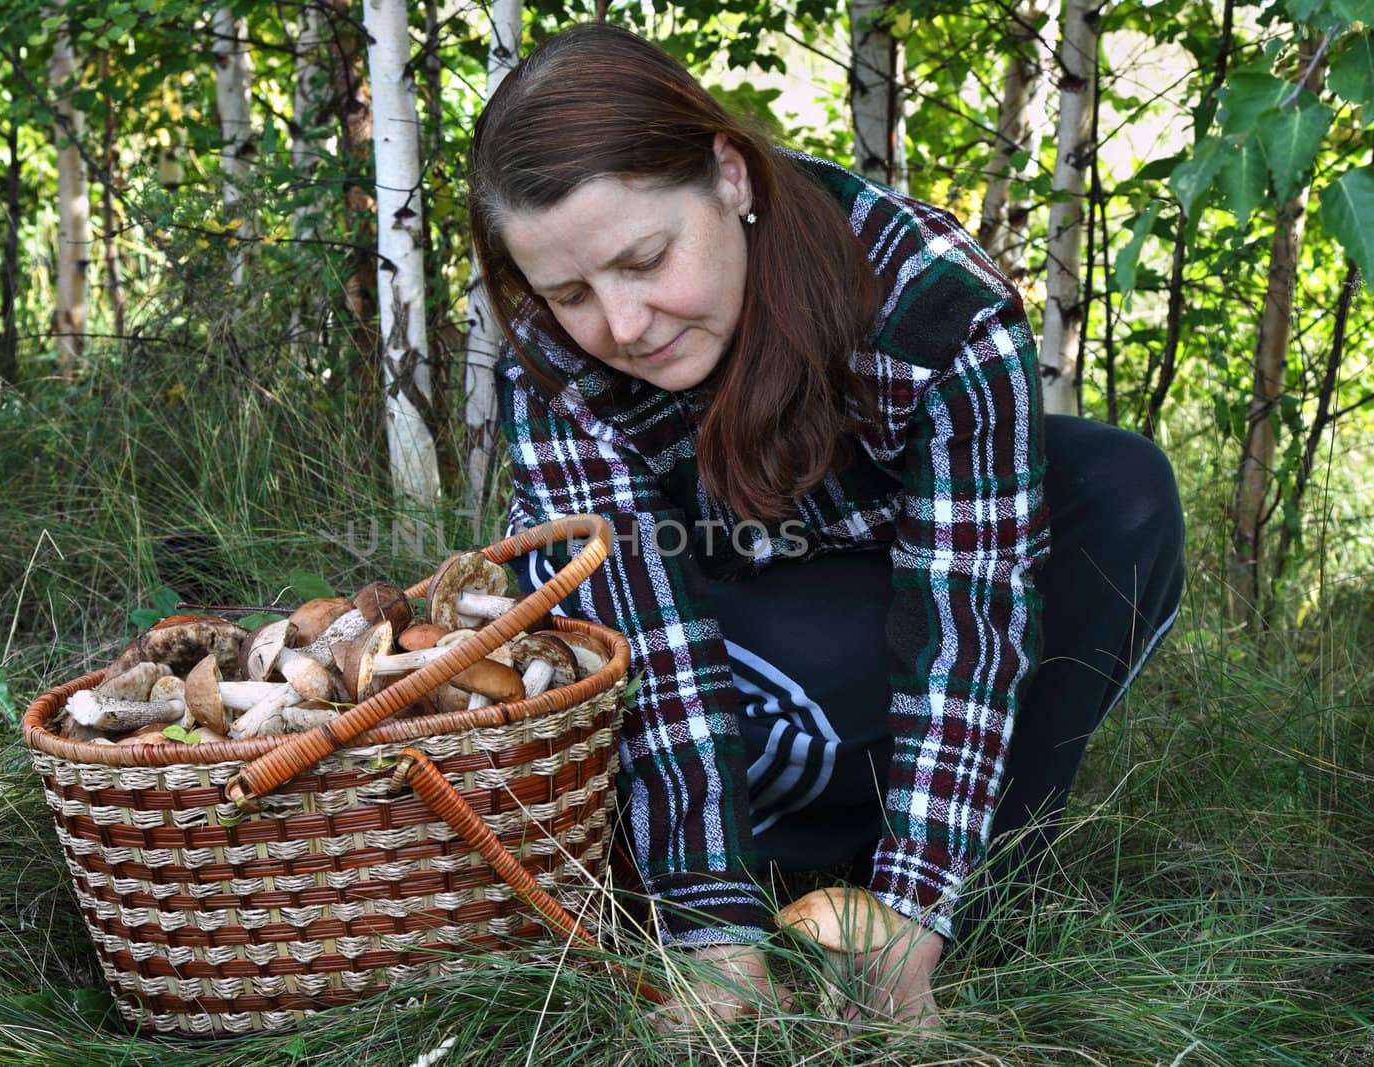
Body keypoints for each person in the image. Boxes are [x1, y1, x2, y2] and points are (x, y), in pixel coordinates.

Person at [468, 23, 1184, 1029]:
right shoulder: (553, 362)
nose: (622, 325)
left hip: (876, 593)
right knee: (812, 672)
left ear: (729, 175)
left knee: (1119, 483)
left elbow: (966, 622)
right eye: (571, 292)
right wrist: (707, 930)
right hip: (714, 634)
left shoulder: (932, 300)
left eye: (645, 260)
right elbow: (652, 640)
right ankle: (724, 874)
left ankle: (936, 910)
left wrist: (915, 898)